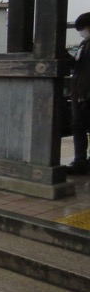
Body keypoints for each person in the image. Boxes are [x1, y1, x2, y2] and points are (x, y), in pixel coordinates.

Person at [68, 12, 90, 174]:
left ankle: (82, 161)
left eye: (83, 28)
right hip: (78, 92)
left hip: (86, 93)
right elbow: (77, 67)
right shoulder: (83, 44)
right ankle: (80, 161)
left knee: (81, 127)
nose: (82, 32)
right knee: (78, 127)